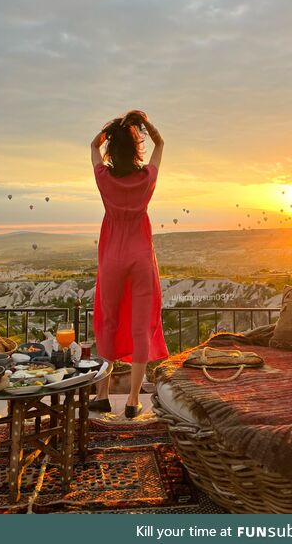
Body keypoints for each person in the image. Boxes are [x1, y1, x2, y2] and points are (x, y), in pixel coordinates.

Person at [90, 109, 169, 418]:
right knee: (140, 326)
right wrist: (143, 123)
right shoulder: (146, 178)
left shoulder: (104, 179)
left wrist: (111, 129)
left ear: (113, 148)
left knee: (108, 320)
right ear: (137, 146)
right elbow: (161, 143)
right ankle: (134, 400)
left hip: (112, 255)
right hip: (140, 255)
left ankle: (102, 393)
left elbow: (92, 146)